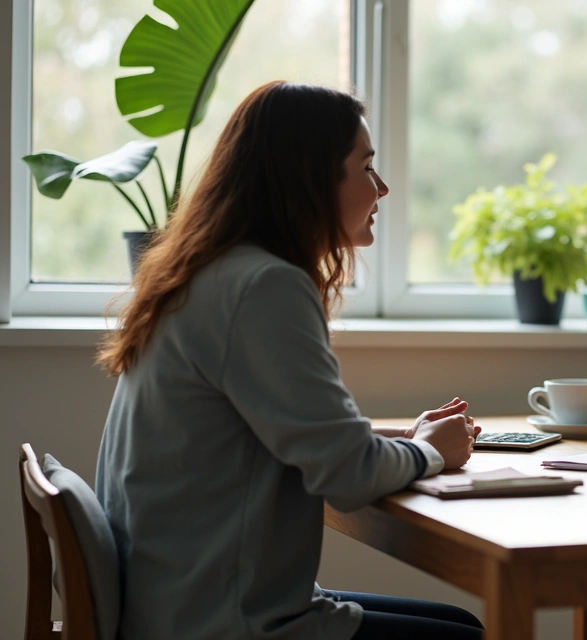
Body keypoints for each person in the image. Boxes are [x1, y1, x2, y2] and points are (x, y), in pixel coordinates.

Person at [95, 82, 484, 640]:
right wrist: (429, 453)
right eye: (366, 167)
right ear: (311, 177)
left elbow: (301, 439)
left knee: (460, 624)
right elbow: (348, 475)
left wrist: (408, 441)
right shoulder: (265, 286)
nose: (383, 187)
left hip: (176, 599)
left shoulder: (208, 273)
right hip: (222, 621)